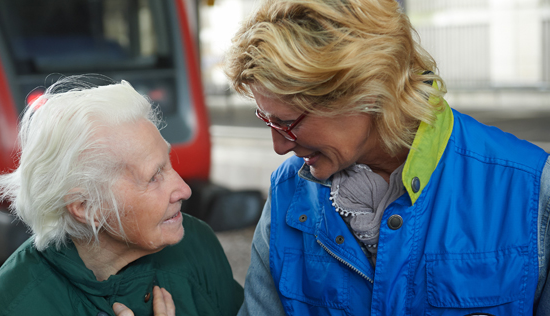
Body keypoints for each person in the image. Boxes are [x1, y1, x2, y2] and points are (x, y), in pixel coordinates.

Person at [224, 0, 550, 315]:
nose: (279, 147)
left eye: (286, 122)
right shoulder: (287, 192)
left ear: (365, 92)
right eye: (266, 119)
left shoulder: (533, 189)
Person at [0, 77, 243, 316]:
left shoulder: (197, 244)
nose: (185, 189)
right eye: (154, 176)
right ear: (86, 207)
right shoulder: (16, 305)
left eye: (169, 163)